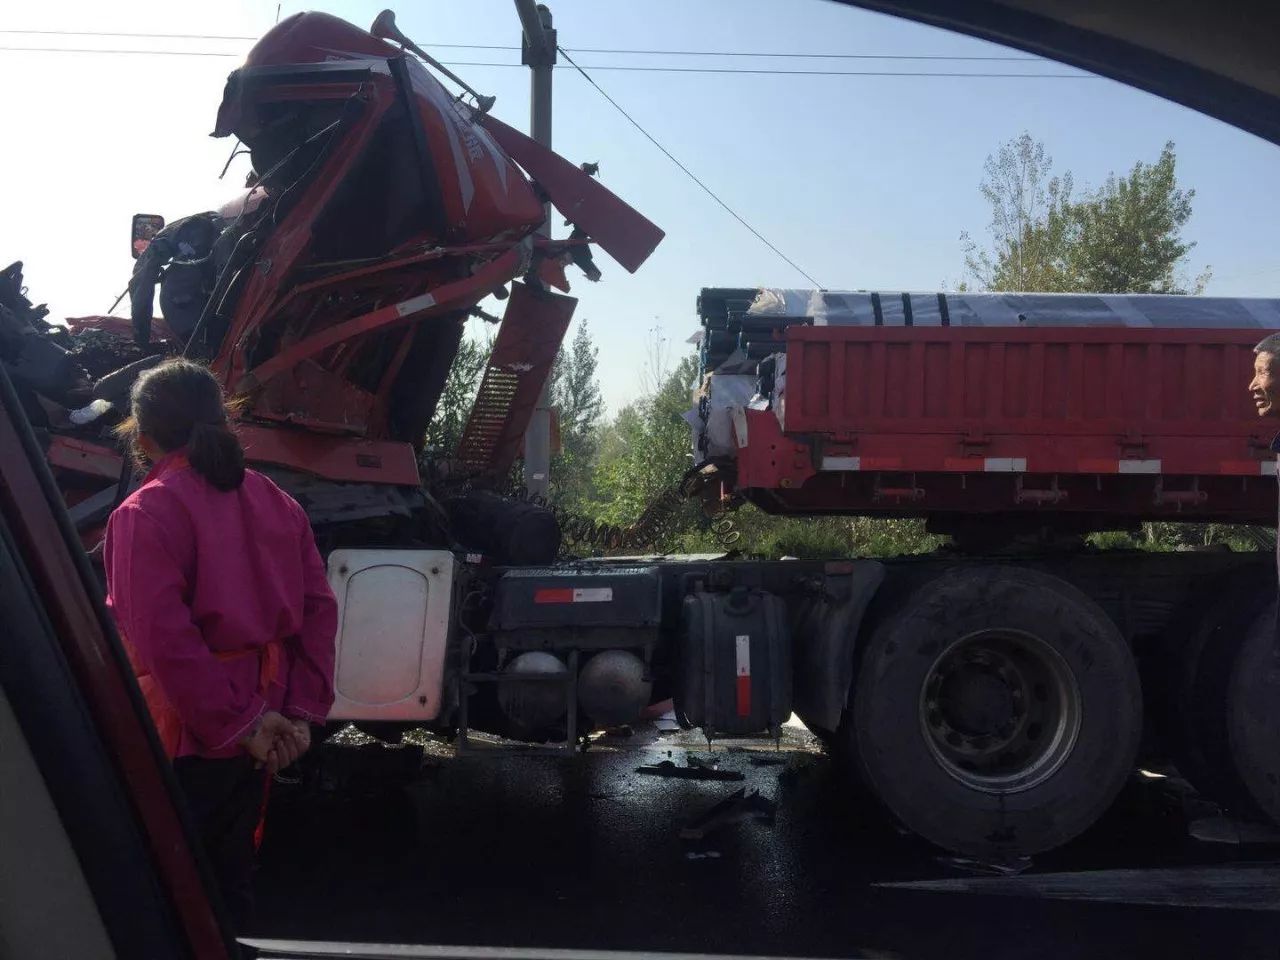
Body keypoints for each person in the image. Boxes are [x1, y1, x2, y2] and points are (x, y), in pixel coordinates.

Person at [103, 358, 337, 933]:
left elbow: (163, 642)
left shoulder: (145, 511)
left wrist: (241, 724)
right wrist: (296, 716)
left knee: (164, 889)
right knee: (230, 883)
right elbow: (317, 612)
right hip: (262, 717)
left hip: (188, 732)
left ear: (144, 434)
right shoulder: (276, 500)